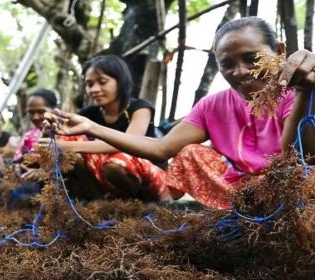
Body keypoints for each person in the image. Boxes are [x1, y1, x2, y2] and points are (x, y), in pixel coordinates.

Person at [44, 17, 315, 209]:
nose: (240, 72)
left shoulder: (299, 91)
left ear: (279, 52)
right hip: (243, 193)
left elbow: (296, 158)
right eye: (227, 64)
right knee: (190, 153)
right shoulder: (213, 105)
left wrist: (304, 95)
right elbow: (162, 148)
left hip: (293, 188)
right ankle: (243, 211)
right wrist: (91, 127)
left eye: (251, 59)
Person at [44, 55, 168, 201]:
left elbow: (130, 143)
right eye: (89, 84)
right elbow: (62, 137)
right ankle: (98, 201)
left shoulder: (140, 108)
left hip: (150, 179)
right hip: (105, 178)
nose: (95, 89)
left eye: (102, 82)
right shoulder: (89, 113)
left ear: (120, 82)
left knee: (115, 163)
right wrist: (51, 130)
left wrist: (66, 146)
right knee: (68, 142)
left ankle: (134, 206)